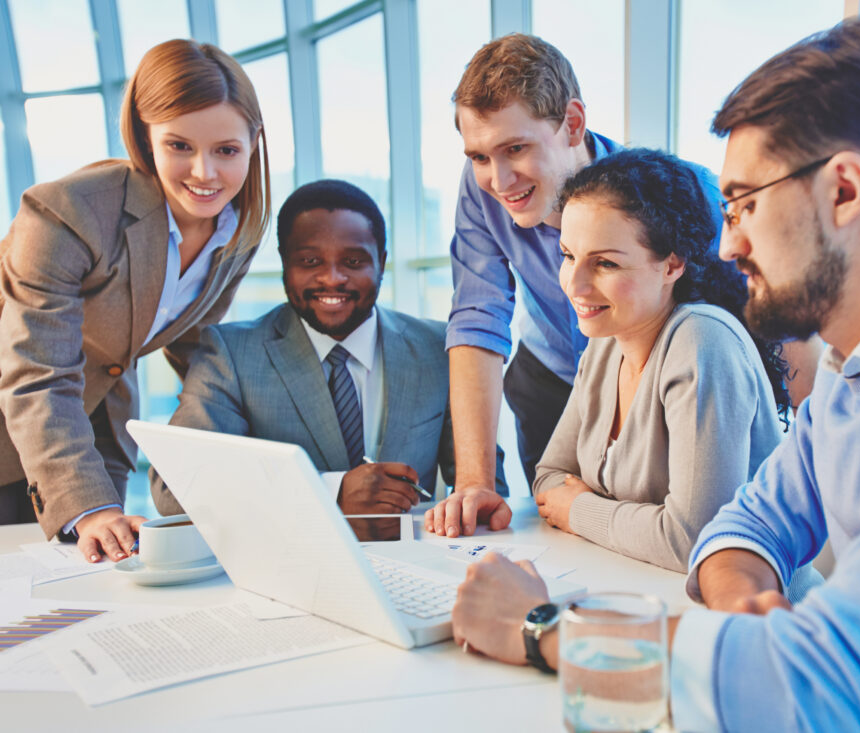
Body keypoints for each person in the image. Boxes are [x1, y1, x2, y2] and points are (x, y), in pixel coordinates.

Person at [450, 16, 860, 732]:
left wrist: (546, 625)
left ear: (845, 191)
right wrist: (758, 639)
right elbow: (742, 529)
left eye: (744, 205)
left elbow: (836, 685)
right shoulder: (858, 370)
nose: (727, 245)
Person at [427, 33, 728, 539]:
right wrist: (474, 483)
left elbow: (752, 318)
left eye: (515, 148)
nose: (498, 180)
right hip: (549, 378)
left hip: (656, 383)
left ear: (572, 124)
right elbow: (478, 318)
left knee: (653, 529)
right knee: (564, 529)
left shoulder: (674, 195)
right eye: (478, 156)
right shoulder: (481, 187)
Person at [0, 40, 271, 564]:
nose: (205, 173)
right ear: (145, 139)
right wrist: (91, 505)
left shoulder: (239, 228)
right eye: (180, 146)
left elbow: (197, 351)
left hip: (96, 424)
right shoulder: (66, 213)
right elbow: (37, 372)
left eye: (226, 150)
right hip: (25, 424)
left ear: (253, 143)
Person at [150, 180, 507, 517]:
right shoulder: (231, 355)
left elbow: (487, 493)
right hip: (288, 572)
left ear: (381, 262)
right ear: (285, 264)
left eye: (353, 262)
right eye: (310, 261)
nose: (332, 278)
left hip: (415, 566)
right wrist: (329, 492)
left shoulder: (441, 350)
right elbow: (172, 490)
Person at [531, 148, 792, 573]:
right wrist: (611, 518)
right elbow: (549, 480)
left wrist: (580, 509)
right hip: (645, 593)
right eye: (568, 256)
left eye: (606, 263)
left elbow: (694, 538)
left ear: (672, 264)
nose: (575, 284)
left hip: (757, 619)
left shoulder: (702, 341)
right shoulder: (607, 340)